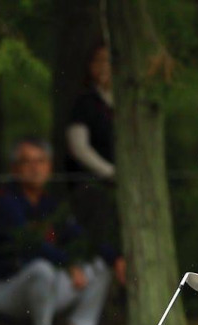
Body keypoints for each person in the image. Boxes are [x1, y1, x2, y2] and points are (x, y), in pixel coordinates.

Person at [0, 138, 115, 325]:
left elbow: (81, 239)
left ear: (49, 167)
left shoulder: (50, 205)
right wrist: (67, 263)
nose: (35, 168)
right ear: (15, 169)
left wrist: (116, 257)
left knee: (99, 266)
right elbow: (30, 245)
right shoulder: (5, 203)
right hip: (6, 291)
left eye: (41, 161)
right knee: (41, 268)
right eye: (27, 162)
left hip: (45, 289)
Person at [65, 43, 125, 286]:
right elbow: (79, 148)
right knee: (98, 244)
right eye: (98, 61)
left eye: (109, 61)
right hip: (93, 188)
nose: (104, 68)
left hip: (123, 190)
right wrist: (111, 173)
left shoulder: (126, 102)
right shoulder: (85, 104)